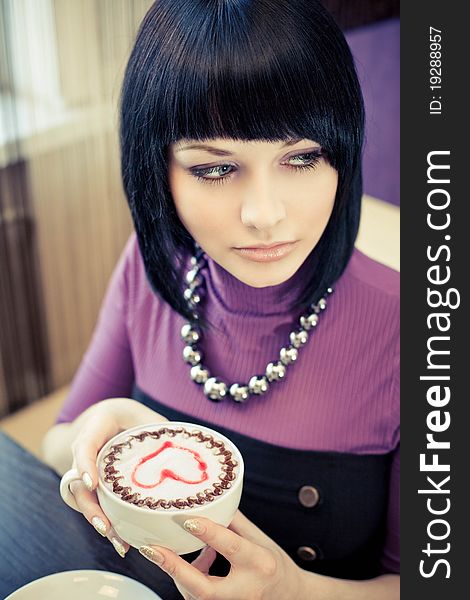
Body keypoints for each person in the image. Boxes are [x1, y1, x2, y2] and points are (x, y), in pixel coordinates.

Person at [42, 0, 399, 598]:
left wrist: (296, 590)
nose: (265, 214)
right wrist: (125, 433)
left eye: (303, 157)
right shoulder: (149, 268)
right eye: (215, 169)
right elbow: (58, 441)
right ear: (157, 169)